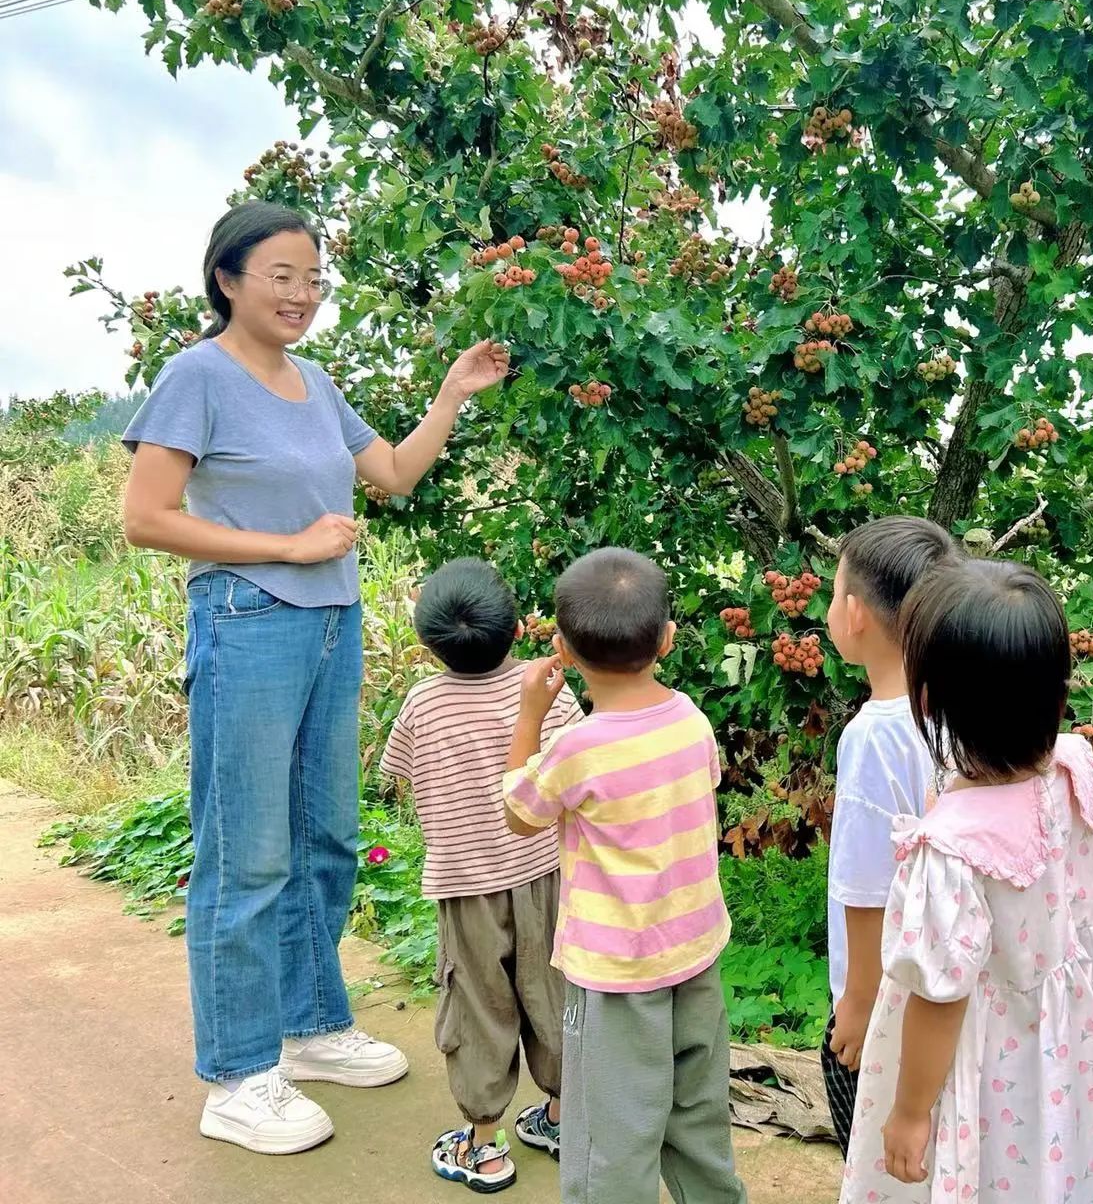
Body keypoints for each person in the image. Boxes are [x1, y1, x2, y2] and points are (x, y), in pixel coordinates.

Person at [121, 201, 511, 1154]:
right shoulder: (195, 376)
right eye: (281, 276)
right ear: (228, 279)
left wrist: (452, 394)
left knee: (326, 839)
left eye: (312, 278)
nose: (301, 294)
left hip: (331, 623)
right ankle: (237, 1073)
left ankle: (308, 1028)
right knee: (246, 853)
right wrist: (288, 547)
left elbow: (395, 475)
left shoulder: (316, 381)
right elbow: (147, 517)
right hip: (247, 621)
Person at [839, 559, 1093, 1204]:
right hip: (1076, 1055)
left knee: (991, 1175)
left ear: (928, 702)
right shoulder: (1079, 771)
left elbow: (941, 995)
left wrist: (910, 1111)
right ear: (1059, 695)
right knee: (1063, 1167)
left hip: (990, 1065)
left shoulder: (950, 847)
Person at [502, 547, 747, 1204]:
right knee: (698, 1121)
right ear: (667, 640)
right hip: (695, 956)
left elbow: (521, 814)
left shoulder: (578, 748)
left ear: (564, 649)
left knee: (610, 1139)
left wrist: (529, 716)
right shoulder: (692, 721)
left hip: (616, 976)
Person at [378, 558, 583, 1192]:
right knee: (553, 996)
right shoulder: (544, 688)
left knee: (477, 1006)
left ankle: (486, 1148)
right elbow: (576, 767)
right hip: (547, 875)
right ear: (518, 627)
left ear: (428, 644)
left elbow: (396, 777)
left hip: (465, 884)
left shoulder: (422, 703)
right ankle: (561, 1115)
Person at [820, 515, 957, 1154]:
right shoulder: (963, 706)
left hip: (887, 995)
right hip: (946, 984)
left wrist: (857, 997)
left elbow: (867, 881)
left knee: (874, 1152)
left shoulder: (874, 733)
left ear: (854, 615)